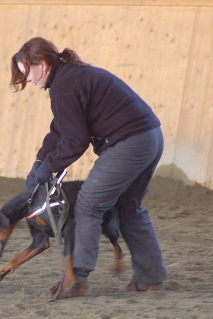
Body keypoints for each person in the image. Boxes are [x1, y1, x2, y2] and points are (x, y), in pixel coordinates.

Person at [10, 37, 167, 299]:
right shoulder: (69, 78)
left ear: (43, 65)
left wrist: (48, 166)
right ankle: (150, 277)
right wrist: (41, 160)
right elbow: (61, 128)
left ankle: (76, 280)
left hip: (129, 142)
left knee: (88, 204)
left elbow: (75, 140)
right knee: (128, 207)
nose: (27, 79)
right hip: (149, 137)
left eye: (27, 72)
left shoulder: (64, 86)